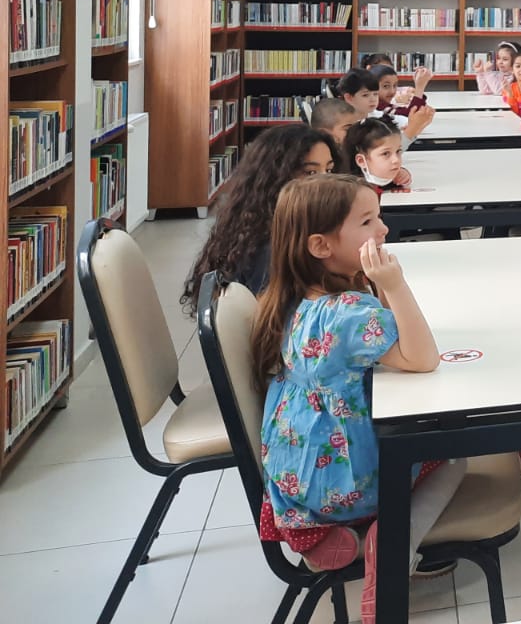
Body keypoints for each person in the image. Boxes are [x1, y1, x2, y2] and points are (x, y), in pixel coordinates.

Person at [250, 174, 461, 624]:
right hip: (350, 479)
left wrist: (374, 279)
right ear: (321, 246)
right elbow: (422, 359)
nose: (382, 229)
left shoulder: (286, 297)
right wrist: (396, 284)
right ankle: (393, 546)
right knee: (454, 457)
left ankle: (322, 535)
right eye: (368, 221)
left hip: (293, 479)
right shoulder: (348, 313)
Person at [179, 124, 338, 313]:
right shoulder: (271, 246)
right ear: (277, 177)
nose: (327, 181)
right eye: (310, 173)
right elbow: (284, 322)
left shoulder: (258, 223)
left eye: (329, 170)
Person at [344, 117, 413, 193]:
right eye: (385, 153)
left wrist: (404, 178)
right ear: (361, 161)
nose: (396, 160)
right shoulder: (350, 192)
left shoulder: (388, 179)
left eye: (398, 151)